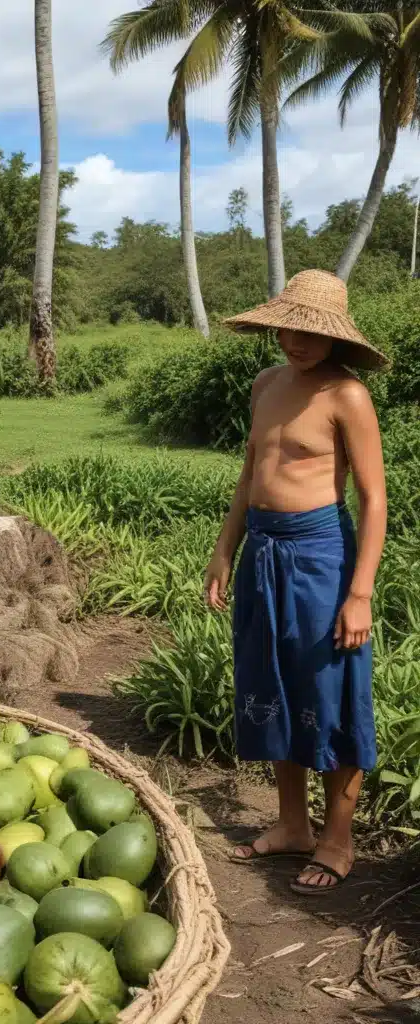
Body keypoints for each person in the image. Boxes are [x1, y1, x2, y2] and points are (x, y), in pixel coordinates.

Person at [204, 270, 388, 895]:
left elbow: (373, 499)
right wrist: (225, 551)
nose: (298, 341)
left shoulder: (347, 396)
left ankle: (337, 838)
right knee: (273, 682)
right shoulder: (265, 385)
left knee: (329, 689)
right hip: (262, 552)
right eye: (290, 327)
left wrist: (359, 591)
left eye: (312, 332)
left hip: (320, 560)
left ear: (336, 337)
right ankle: (292, 825)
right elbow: (248, 473)